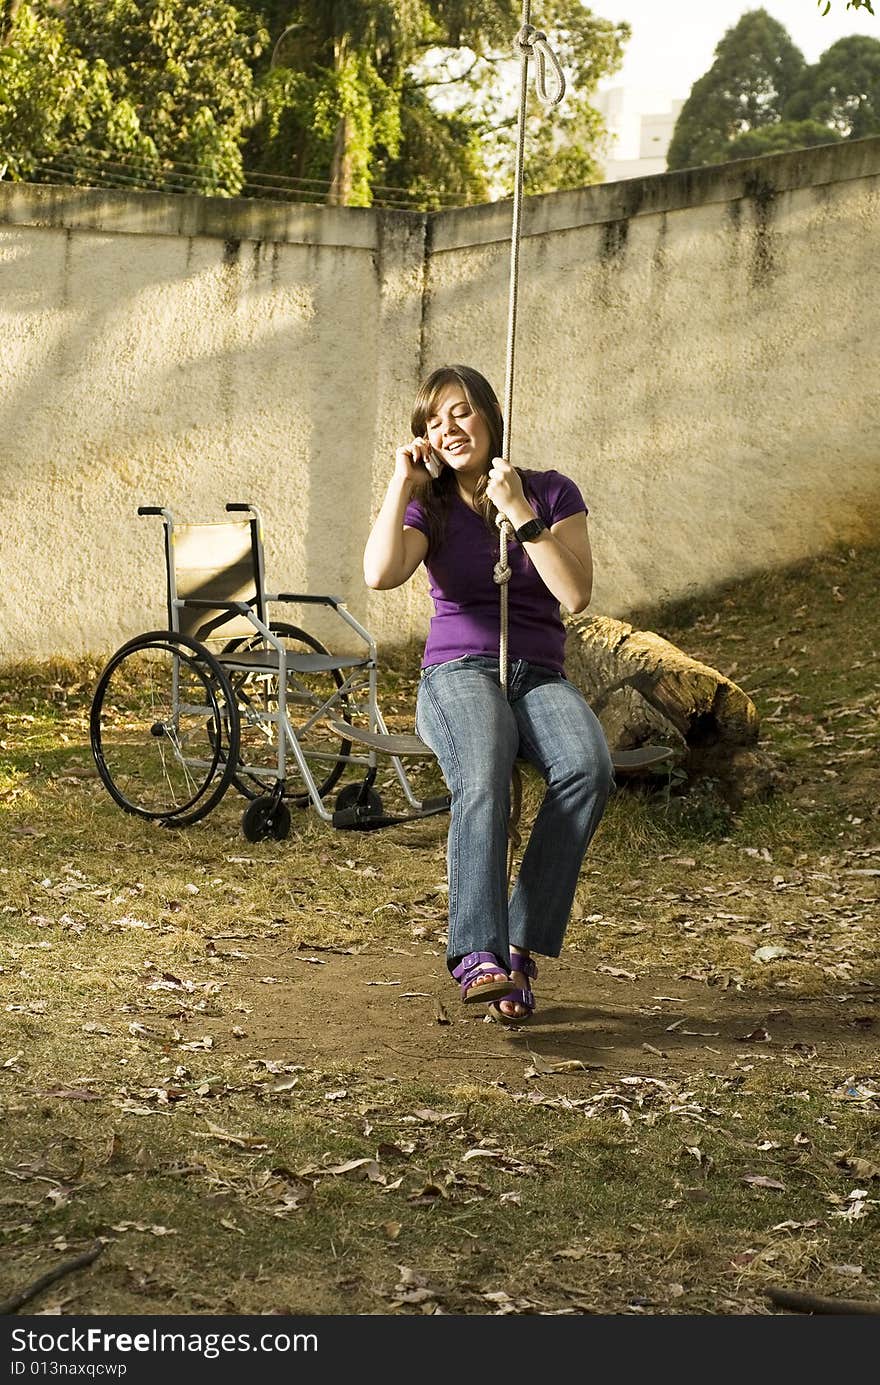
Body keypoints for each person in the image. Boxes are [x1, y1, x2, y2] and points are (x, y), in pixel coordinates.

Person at [363, 364, 613, 1022]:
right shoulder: (432, 503)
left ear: (490, 416)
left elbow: (575, 593)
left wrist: (521, 514)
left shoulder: (551, 492)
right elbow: (380, 571)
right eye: (432, 421)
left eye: (461, 413)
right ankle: (478, 953)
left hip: (537, 672)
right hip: (457, 672)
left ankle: (520, 946)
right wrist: (401, 482)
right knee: (483, 764)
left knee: (589, 765)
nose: (448, 429)